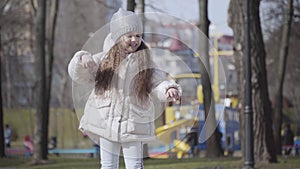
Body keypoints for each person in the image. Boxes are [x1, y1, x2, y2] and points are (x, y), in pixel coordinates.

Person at [68, 8, 181, 169]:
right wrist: (81, 58)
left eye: (138, 36)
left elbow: (157, 83)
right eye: (130, 36)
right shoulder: (103, 60)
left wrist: (168, 89)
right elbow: (78, 75)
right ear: (118, 37)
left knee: (135, 165)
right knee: (108, 165)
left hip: (133, 122)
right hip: (105, 120)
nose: (135, 40)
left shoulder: (145, 62)